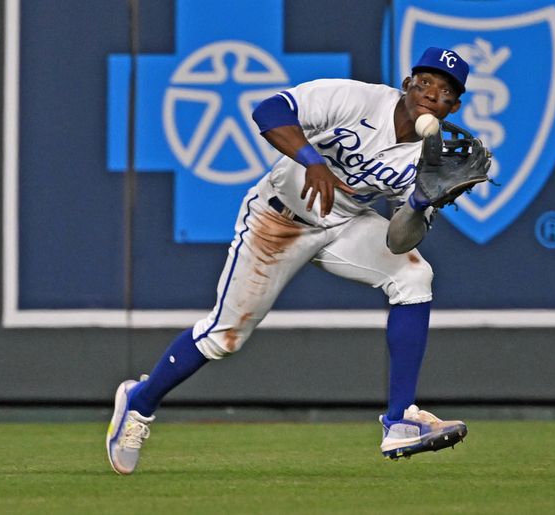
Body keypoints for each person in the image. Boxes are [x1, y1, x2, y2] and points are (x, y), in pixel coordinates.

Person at [107, 47, 471, 474]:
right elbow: (270, 111)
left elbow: (399, 240)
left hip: (344, 225)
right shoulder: (357, 99)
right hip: (278, 219)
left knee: (414, 276)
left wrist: (418, 203)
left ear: (454, 106)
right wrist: (313, 161)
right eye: (426, 81)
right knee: (224, 338)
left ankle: (400, 421)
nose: (432, 93)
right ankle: (140, 402)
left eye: (445, 90)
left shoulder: (429, 159)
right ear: (408, 83)